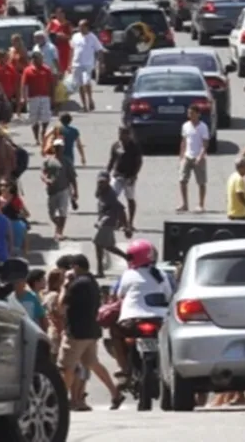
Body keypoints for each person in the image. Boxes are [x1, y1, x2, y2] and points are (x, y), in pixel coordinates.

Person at [59, 253, 123, 410]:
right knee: (92, 363)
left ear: (76, 267)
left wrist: (65, 284)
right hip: (91, 331)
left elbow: (61, 306)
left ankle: (59, 399)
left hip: (76, 333)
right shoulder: (92, 282)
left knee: (66, 367)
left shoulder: (76, 284)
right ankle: (115, 393)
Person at [110, 240, 174, 375]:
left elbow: (119, 294)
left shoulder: (128, 274)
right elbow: (170, 297)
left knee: (114, 332)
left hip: (131, 321)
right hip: (159, 321)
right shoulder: (162, 275)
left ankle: (123, 367)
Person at [107, 126, 144, 235]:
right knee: (112, 197)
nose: (121, 136)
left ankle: (130, 223)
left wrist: (134, 175)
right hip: (117, 175)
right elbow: (112, 160)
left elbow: (139, 162)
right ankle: (119, 220)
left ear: (129, 134)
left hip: (129, 177)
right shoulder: (116, 145)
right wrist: (107, 173)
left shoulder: (135, 146)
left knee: (130, 199)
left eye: (123, 134)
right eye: (120, 133)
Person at [93, 171, 128, 277]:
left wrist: (126, 226)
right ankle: (129, 258)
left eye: (103, 182)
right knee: (108, 246)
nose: (101, 184)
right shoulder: (101, 191)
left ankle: (100, 271)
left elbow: (121, 209)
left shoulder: (110, 195)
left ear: (108, 181)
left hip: (108, 222)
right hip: (104, 221)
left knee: (98, 243)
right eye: (99, 182)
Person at [177, 106, 210, 213]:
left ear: (198, 114)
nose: (190, 115)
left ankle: (201, 204)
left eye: (192, 113)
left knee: (201, 182)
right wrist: (181, 156)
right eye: (189, 113)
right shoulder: (185, 126)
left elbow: (205, 144)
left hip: (199, 157)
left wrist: (200, 156)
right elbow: (184, 141)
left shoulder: (203, 127)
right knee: (182, 180)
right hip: (187, 156)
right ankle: (184, 204)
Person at [69, 19, 104, 112]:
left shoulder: (92, 37)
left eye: (82, 26)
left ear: (87, 27)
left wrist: (100, 63)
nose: (80, 28)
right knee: (80, 85)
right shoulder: (75, 36)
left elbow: (100, 50)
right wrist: (69, 64)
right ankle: (84, 105)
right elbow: (72, 50)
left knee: (86, 82)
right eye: (79, 26)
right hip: (76, 64)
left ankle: (90, 100)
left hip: (87, 64)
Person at [20, 51, 55, 145]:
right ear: (34, 60)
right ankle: (36, 138)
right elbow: (24, 85)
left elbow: (51, 84)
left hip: (45, 97)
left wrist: (53, 97)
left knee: (46, 117)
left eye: (41, 58)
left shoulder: (47, 69)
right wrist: (23, 97)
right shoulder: (27, 70)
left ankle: (43, 131)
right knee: (34, 119)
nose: (41, 61)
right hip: (33, 98)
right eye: (38, 59)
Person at [42, 141, 73, 241]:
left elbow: (72, 177)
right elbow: (43, 173)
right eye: (57, 147)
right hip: (52, 191)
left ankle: (59, 232)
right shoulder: (48, 161)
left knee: (62, 212)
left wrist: (75, 192)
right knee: (51, 214)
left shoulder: (67, 161)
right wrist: (46, 180)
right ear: (53, 148)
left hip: (64, 190)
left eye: (61, 147)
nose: (59, 149)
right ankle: (58, 227)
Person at [51, 112, 85, 204]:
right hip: (70, 157)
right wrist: (82, 156)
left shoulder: (58, 130)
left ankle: (60, 195)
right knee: (70, 176)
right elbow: (79, 145)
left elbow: (53, 144)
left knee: (59, 176)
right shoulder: (74, 131)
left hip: (58, 156)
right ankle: (72, 194)